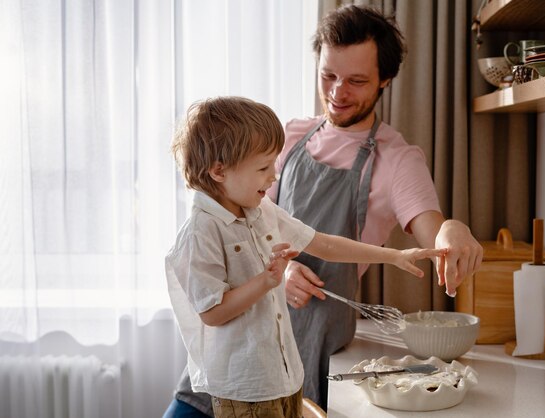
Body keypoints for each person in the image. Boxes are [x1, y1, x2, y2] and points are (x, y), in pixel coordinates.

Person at [164, 5, 483, 416]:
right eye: (328, 76)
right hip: (234, 338)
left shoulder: (398, 160)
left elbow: (431, 229)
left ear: (385, 79)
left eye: (355, 81)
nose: (337, 92)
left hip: (310, 348)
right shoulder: (289, 137)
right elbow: (250, 224)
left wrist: (452, 230)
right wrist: (283, 273)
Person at [165, 96, 445, 418]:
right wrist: (267, 281)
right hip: (246, 388)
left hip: (283, 377)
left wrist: (394, 255)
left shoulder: (260, 210)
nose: (273, 176)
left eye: (274, 163)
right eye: (263, 167)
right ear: (219, 171)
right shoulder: (199, 234)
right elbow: (212, 313)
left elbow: (323, 244)